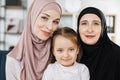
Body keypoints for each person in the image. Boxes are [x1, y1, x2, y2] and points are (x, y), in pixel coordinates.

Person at [6, 0, 62, 80]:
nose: (50, 27)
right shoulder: (13, 60)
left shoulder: (59, 52)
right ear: (32, 16)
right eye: (44, 18)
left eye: (55, 22)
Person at [77, 7, 120, 80]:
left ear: (103, 28)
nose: (90, 30)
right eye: (84, 23)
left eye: (96, 24)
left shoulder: (117, 54)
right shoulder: (69, 53)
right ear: (78, 27)